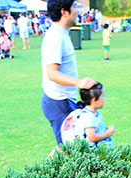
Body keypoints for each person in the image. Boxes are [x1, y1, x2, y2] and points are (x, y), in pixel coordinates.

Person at [40, 0, 97, 145]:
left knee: (68, 150)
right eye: (74, 7)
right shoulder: (56, 37)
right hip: (58, 101)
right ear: (64, 12)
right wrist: (80, 83)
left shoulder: (61, 34)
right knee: (69, 151)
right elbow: (52, 73)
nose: (76, 11)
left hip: (64, 100)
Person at [60, 82, 114, 147]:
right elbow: (92, 137)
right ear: (94, 99)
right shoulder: (88, 116)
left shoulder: (95, 113)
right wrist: (108, 133)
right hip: (96, 153)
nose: (104, 99)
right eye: (103, 96)